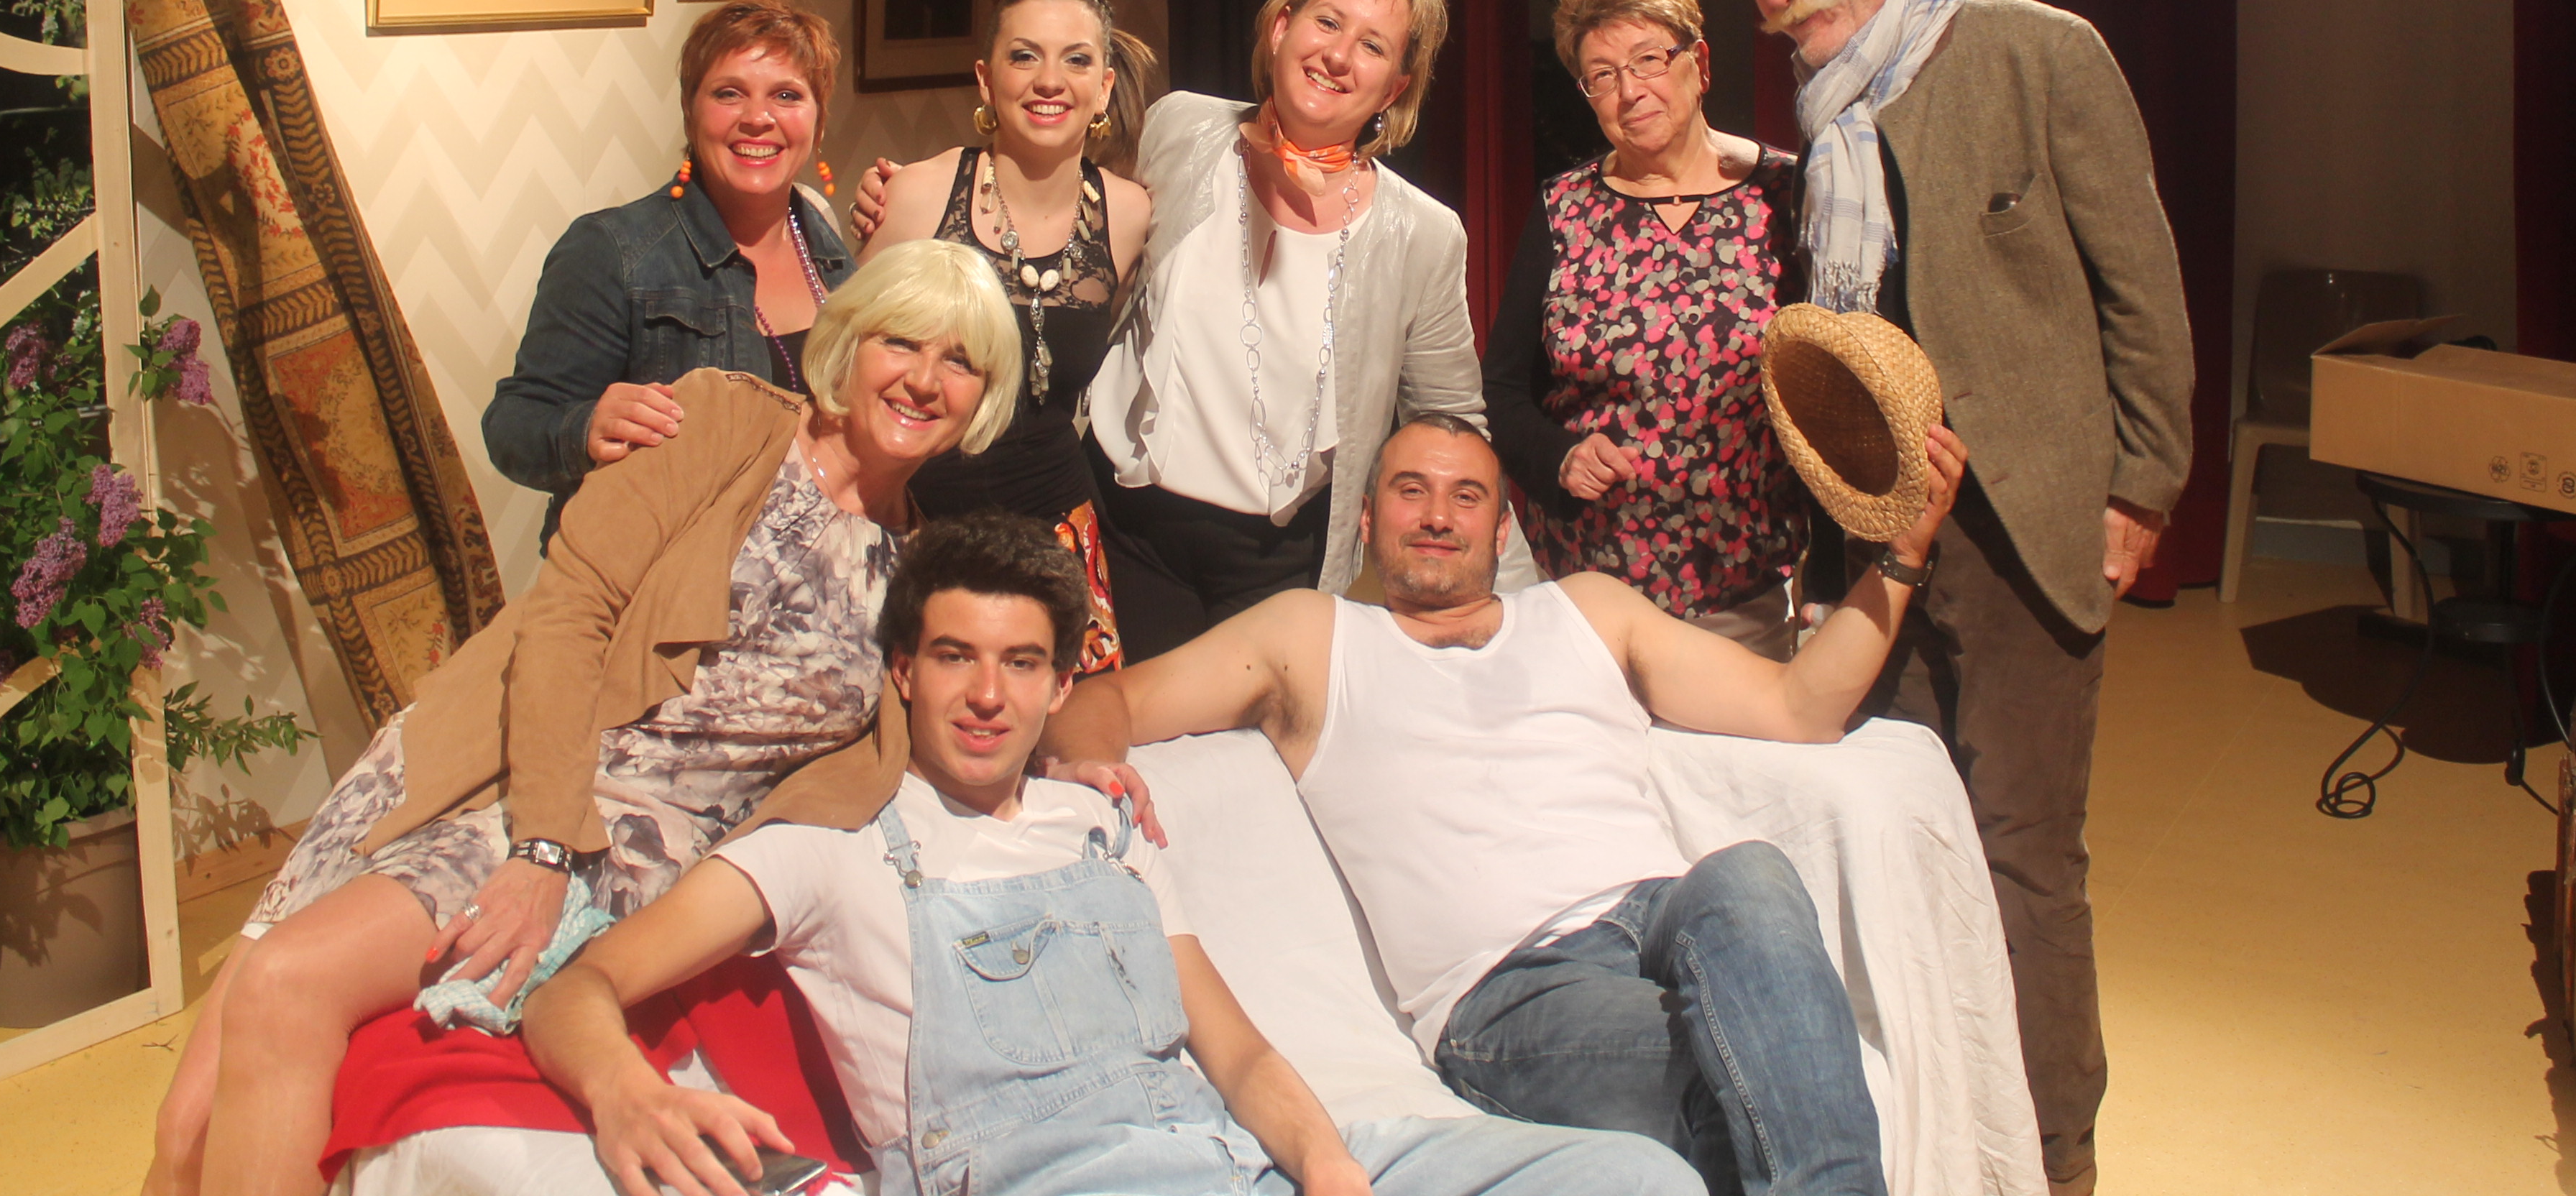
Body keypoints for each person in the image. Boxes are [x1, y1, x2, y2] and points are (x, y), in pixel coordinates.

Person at [144, 241, 1023, 1196]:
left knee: (287, 985)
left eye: (961, 361)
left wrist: (1074, 759)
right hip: (490, 763)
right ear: (850, 342)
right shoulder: (724, 418)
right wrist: (543, 842)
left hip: (632, 839)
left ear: (985, 398)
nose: (925, 380)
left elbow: (976, 708)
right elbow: (569, 612)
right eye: (902, 342)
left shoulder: (920, 574)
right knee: (186, 1124)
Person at [525, 512, 1703, 1196]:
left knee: (1640, 1180)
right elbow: (575, 989)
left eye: (1022, 663)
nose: (987, 696)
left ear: (1056, 685)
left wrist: (1331, 1170)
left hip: (1236, 1159)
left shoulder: (1100, 824)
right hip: (1064, 1181)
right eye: (954, 657)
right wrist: (626, 1088)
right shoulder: (825, 847)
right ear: (904, 672)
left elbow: (1238, 1052)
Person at [1039, 414, 1972, 1196]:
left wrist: (1903, 554)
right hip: (1515, 990)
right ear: (1367, 517)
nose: (1436, 516)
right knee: (1755, 1068)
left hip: (1662, 914)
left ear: (1501, 529)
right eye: (1410, 490)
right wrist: (1088, 764)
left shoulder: (1589, 611)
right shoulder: (1313, 638)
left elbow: (1799, 707)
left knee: (1753, 874)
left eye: (1466, 496)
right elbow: (1108, 698)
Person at [1716, 0, 2193, 1196]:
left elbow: (2139, 285)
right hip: (1879, 531)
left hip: (2024, 522)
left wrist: (2140, 483)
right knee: (1901, 829)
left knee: (2022, 850)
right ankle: (1930, 1123)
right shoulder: (1826, 109)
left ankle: (2050, 1154)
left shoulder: (2035, 51)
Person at [855, 0, 1491, 661]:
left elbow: (1454, 429)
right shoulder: (1183, 128)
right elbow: (1055, 197)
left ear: (1395, 88)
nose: (1339, 55)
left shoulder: (1424, 234)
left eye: (1373, 45)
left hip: (1278, 565)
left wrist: (1503, 612)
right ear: (1282, 28)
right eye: (1327, 22)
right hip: (1122, 530)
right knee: (1108, 724)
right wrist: (906, 198)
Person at [1483, 0, 1808, 656]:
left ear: (1700, 63)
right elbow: (1503, 391)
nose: (1630, 91)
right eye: (1602, 75)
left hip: (1742, 592)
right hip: (1585, 593)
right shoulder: (1564, 208)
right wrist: (1560, 457)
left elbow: (1833, 396)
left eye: (1649, 60)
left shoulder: (1783, 194)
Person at [485, 0, 857, 540]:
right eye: (729, 93)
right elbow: (513, 427)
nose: (758, 118)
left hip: (810, 571)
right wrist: (586, 428)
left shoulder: (826, 247)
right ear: (690, 110)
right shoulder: (613, 250)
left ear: (818, 120)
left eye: (787, 95)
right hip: (660, 573)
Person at [867, 0, 1156, 671]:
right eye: (1024, 56)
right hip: (920, 534)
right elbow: (844, 372)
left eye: (1076, 60)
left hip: (1059, 535)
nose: (1049, 80)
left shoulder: (1130, 214)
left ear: (1104, 88)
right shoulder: (919, 195)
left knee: (1072, 728)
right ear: (986, 79)